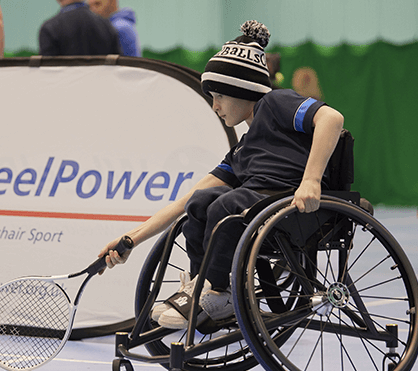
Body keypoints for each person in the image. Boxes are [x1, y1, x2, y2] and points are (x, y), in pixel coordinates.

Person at [99, 20, 344, 329]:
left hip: (292, 205)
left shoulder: (275, 102)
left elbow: (332, 118)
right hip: (261, 208)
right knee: (200, 203)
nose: (215, 107)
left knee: (226, 205)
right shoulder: (243, 150)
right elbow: (183, 202)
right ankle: (204, 290)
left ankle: (217, 291)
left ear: (242, 90)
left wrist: (310, 180)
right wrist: (129, 241)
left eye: (219, 97)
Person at [39, 0, 121, 56]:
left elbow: (47, 75)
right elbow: (116, 67)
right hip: (101, 81)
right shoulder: (107, 26)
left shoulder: (50, 28)